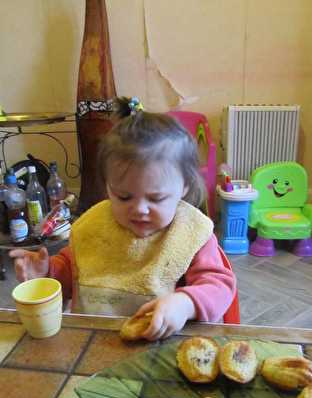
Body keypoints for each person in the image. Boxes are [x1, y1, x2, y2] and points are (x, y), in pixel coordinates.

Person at [9, 97, 236, 341]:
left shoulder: (190, 233)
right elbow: (76, 271)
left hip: (160, 347)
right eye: (124, 196)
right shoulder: (95, 225)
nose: (139, 209)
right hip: (92, 343)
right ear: (108, 187)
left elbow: (219, 286)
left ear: (185, 187)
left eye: (156, 198)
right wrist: (49, 272)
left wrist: (186, 303)